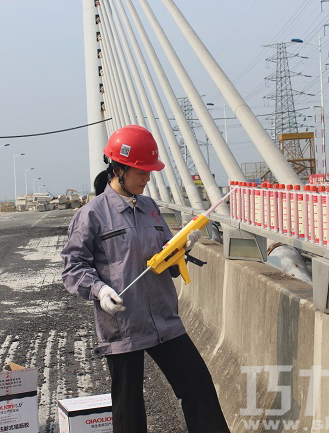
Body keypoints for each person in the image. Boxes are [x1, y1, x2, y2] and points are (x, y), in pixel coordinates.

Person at [61, 125, 230, 433]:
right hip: (123, 325)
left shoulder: (151, 209)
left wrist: (180, 250)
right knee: (129, 410)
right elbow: (73, 267)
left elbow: (166, 257)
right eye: (141, 171)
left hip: (165, 320)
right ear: (118, 168)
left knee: (198, 387)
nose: (148, 177)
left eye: (149, 171)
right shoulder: (92, 215)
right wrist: (98, 291)